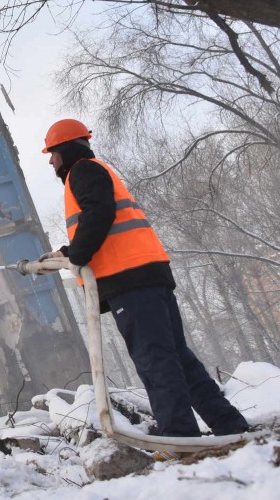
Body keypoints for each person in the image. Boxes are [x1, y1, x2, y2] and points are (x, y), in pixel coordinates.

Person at [40, 118, 249, 438]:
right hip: (147, 276)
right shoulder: (94, 171)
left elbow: (99, 214)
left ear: (67, 149)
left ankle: (179, 437)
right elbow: (103, 223)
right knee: (176, 357)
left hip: (130, 281)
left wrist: (77, 256)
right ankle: (228, 423)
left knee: (155, 361)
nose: (51, 161)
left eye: (52, 153)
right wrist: (68, 253)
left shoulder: (82, 170)